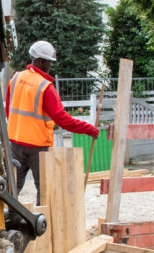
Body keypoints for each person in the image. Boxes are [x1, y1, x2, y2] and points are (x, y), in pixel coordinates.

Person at [5, 40, 99, 205]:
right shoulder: (45, 87)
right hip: (38, 148)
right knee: (45, 191)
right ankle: (43, 226)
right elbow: (62, 119)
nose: (51, 66)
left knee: (11, 189)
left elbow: (8, 110)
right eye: (50, 62)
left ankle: (7, 222)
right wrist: (88, 128)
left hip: (14, 143)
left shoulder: (16, 78)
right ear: (41, 61)